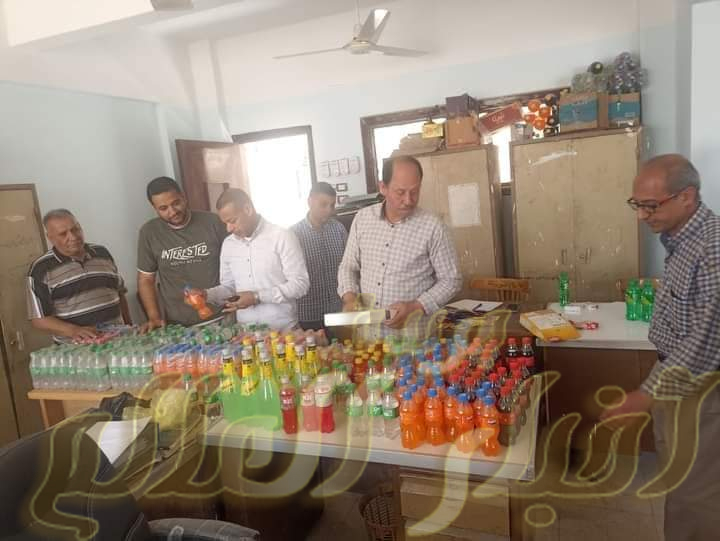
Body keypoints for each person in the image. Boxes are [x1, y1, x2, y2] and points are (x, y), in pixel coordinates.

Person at [601, 154, 720, 540]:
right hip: (674, 379)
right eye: (636, 205)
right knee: (679, 480)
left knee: (696, 498)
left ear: (687, 197)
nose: (642, 216)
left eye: (651, 206)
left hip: (699, 388)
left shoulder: (712, 248)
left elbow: (707, 340)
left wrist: (646, 393)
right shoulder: (682, 240)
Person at [337, 156, 462, 338]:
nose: (408, 200)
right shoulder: (363, 219)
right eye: (400, 192)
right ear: (383, 187)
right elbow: (348, 265)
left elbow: (451, 280)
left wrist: (416, 306)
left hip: (414, 340)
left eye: (414, 192)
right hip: (369, 339)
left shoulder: (433, 227)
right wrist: (349, 298)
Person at [196, 188, 309, 330]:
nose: (228, 229)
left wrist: (257, 297)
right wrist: (206, 294)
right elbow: (229, 287)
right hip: (247, 334)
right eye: (225, 223)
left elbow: (300, 284)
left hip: (284, 331)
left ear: (248, 209)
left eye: (232, 221)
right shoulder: (229, 244)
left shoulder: (282, 236)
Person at [26, 209, 131, 343]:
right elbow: (39, 319)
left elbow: (119, 293)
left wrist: (129, 326)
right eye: (63, 234)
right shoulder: (40, 269)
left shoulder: (102, 253)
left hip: (118, 342)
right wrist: (74, 330)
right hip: (76, 349)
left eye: (75, 229)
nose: (73, 237)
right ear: (50, 237)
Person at [137, 177, 227, 329]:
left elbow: (237, 264)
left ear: (184, 197)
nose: (172, 212)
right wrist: (154, 317)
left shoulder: (213, 222)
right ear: (154, 208)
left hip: (222, 317)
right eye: (163, 208)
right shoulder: (149, 232)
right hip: (179, 326)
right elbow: (146, 279)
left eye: (176, 203)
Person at [291, 182, 348, 331]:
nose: (329, 210)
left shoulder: (339, 229)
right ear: (310, 202)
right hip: (309, 313)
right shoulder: (293, 235)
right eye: (323, 205)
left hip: (338, 310)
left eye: (332, 205)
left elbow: (349, 266)